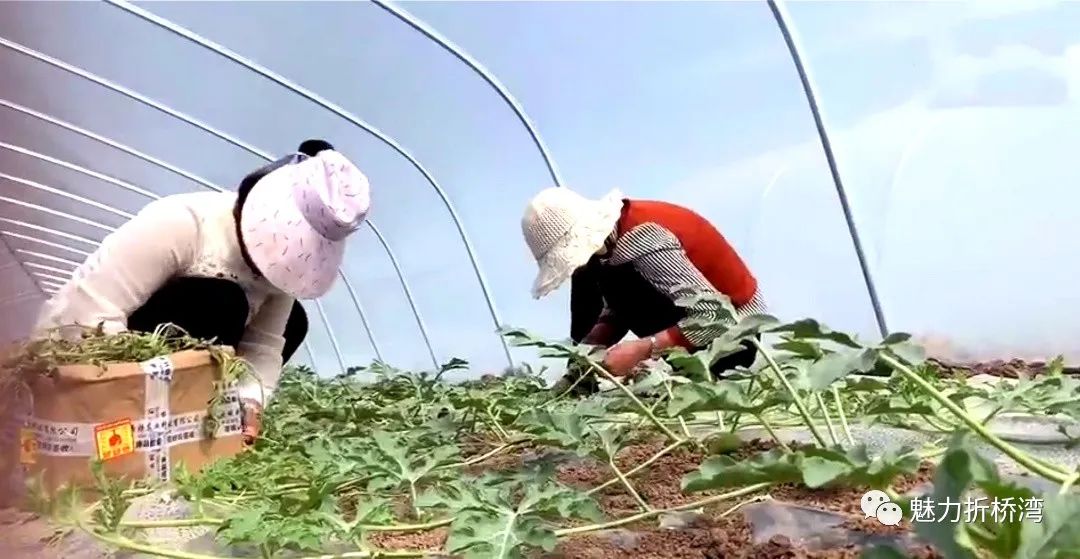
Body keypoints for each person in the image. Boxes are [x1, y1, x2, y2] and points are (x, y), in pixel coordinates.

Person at [33, 139, 370, 444]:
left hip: (180, 369)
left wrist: (250, 403)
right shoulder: (182, 224)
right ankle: (173, 417)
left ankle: (198, 423)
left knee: (294, 320)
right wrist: (128, 400)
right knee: (221, 302)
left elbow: (264, 345)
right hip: (89, 356)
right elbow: (93, 310)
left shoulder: (282, 275)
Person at [521, 187, 768, 387]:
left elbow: (716, 317)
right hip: (705, 326)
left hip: (738, 331)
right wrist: (590, 348)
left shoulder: (643, 239)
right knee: (595, 279)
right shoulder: (611, 246)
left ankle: (704, 377)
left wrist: (643, 349)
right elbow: (622, 306)